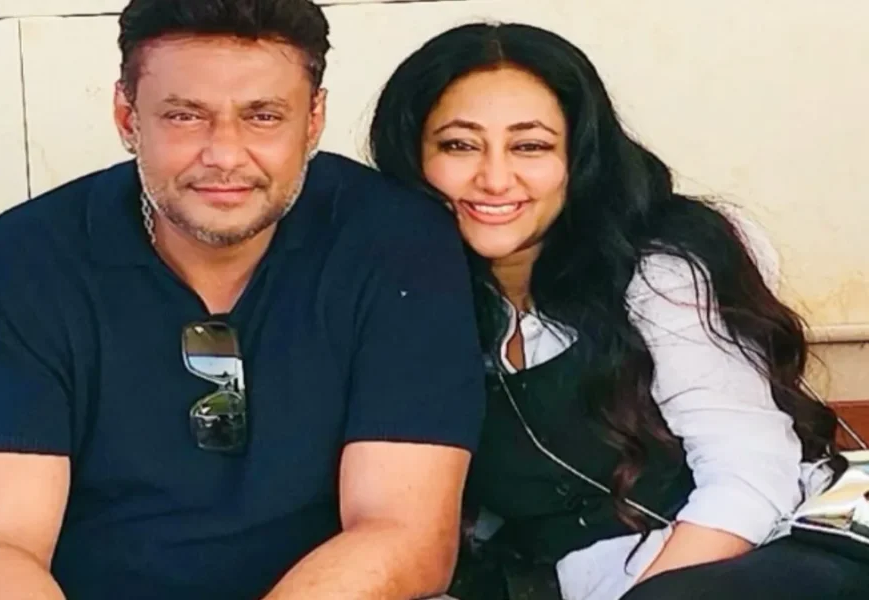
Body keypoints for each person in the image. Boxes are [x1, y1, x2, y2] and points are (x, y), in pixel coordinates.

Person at [0, 1, 486, 598]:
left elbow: (403, 532)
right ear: (127, 117)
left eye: (263, 116)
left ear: (314, 120)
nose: (225, 154)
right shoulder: (27, 260)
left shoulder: (394, 243)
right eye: (184, 116)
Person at [369, 22, 869, 600]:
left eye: (530, 146)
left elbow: (750, 476)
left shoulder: (658, 269)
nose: (495, 178)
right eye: (460, 145)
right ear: (414, 157)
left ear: (578, 155)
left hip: (768, 549)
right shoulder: (414, 297)